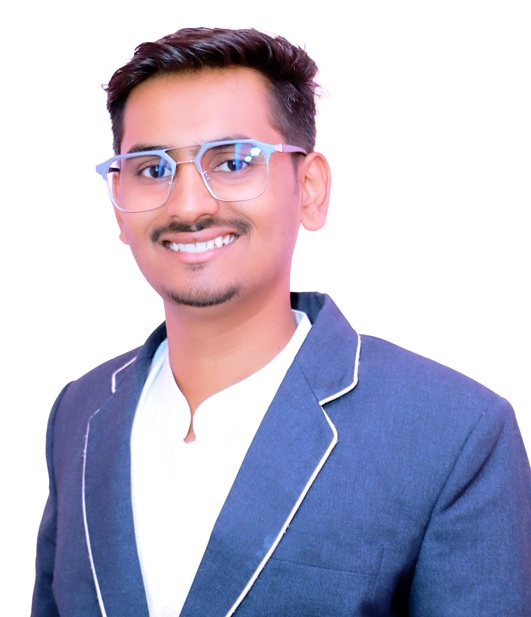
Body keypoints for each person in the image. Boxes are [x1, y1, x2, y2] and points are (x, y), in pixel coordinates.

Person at [31, 26, 531, 617]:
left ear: (309, 188)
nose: (188, 205)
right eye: (152, 169)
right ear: (118, 200)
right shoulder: (80, 412)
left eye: (234, 161)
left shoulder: (455, 433)